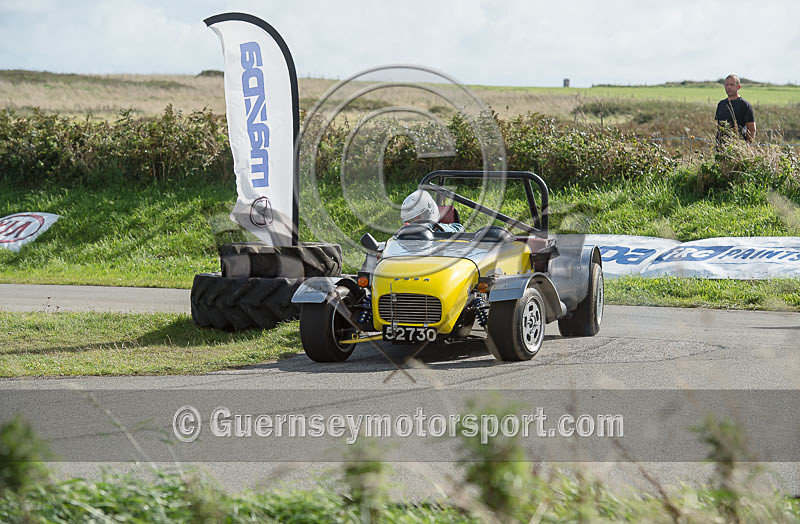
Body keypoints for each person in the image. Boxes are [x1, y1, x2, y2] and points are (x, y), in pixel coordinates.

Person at [715, 74, 756, 143]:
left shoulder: (745, 105)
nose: (729, 87)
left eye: (732, 85)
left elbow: (752, 129)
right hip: (720, 147)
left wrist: (747, 147)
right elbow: (718, 126)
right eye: (727, 85)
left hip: (737, 146)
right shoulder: (721, 104)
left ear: (738, 87)